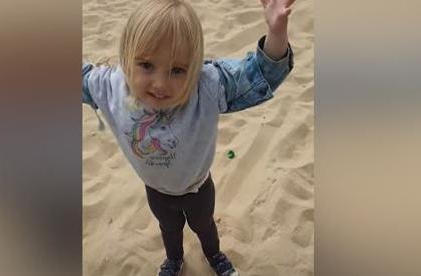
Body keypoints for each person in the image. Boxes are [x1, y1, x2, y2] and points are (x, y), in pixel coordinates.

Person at [82, 0, 295, 275]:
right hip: (156, 190)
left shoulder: (207, 86)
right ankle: (174, 260)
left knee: (204, 226)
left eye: (177, 70)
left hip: (198, 189)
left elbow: (261, 73)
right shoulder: (111, 87)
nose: (160, 84)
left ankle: (214, 255)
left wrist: (277, 33)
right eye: (146, 65)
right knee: (169, 229)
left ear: (194, 68)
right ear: (127, 57)